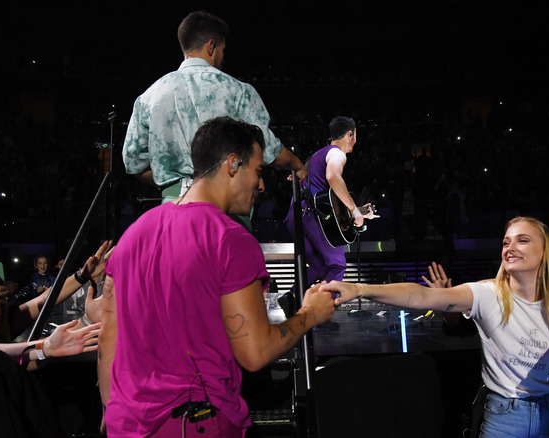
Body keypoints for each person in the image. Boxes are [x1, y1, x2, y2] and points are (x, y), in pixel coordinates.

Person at [100, 117, 336, 437]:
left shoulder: (132, 235)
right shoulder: (230, 240)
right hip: (194, 423)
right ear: (233, 165)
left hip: (125, 424)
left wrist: (110, 410)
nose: (262, 186)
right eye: (258, 171)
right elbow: (254, 353)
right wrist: (310, 314)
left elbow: (108, 340)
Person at [323, 217, 549, 437]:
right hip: (506, 416)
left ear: (545, 250)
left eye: (522, 240)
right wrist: (361, 289)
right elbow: (421, 296)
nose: (509, 247)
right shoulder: (487, 294)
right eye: (506, 242)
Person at [122, 10, 307, 208]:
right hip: (226, 205)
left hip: (173, 206)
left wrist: (173, 184)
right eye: (223, 49)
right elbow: (268, 149)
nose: (223, 56)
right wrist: (297, 165)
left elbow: (133, 162)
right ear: (212, 46)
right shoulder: (238, 91)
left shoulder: (149, 97)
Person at [286, 116, 376, 287]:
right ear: (350, 134)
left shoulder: (314, 157)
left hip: (294, 217)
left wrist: (356, 210)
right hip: (314, 217)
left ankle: (292, 298)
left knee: (320, 266)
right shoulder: (336, 153)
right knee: (337, 265)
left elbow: (323, 197)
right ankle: (324, 305)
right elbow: (333, 177)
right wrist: (355, 211)